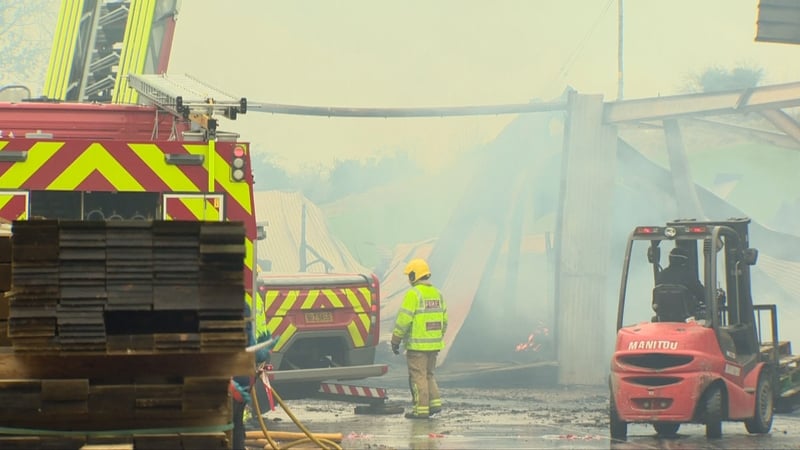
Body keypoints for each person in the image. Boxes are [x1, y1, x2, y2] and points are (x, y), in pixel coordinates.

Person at [391, 258, 448, 419]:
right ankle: (435, 405)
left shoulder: (413, 294)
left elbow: (404, 320)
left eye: (409, 274)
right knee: (429, 374)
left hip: (417, 347)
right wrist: (437, 337)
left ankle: (420, 410)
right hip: (434, 345)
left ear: (414, 275)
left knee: (418, 377)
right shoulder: (438, 293)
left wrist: (396, 340)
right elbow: (445, 320)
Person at [230, 299, 275, 450]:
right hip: (236, 381)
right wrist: (264, 350)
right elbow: (251, 350)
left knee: (229, 425)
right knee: (235, 426)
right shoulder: (242, 305)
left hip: (226, 381)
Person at [656, 246, 705, 313]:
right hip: (687, 318)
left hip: (664, 317)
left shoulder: (661, 275)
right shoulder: (688, 275)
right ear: (684, 260)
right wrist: (712, 299)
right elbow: (701, 294)